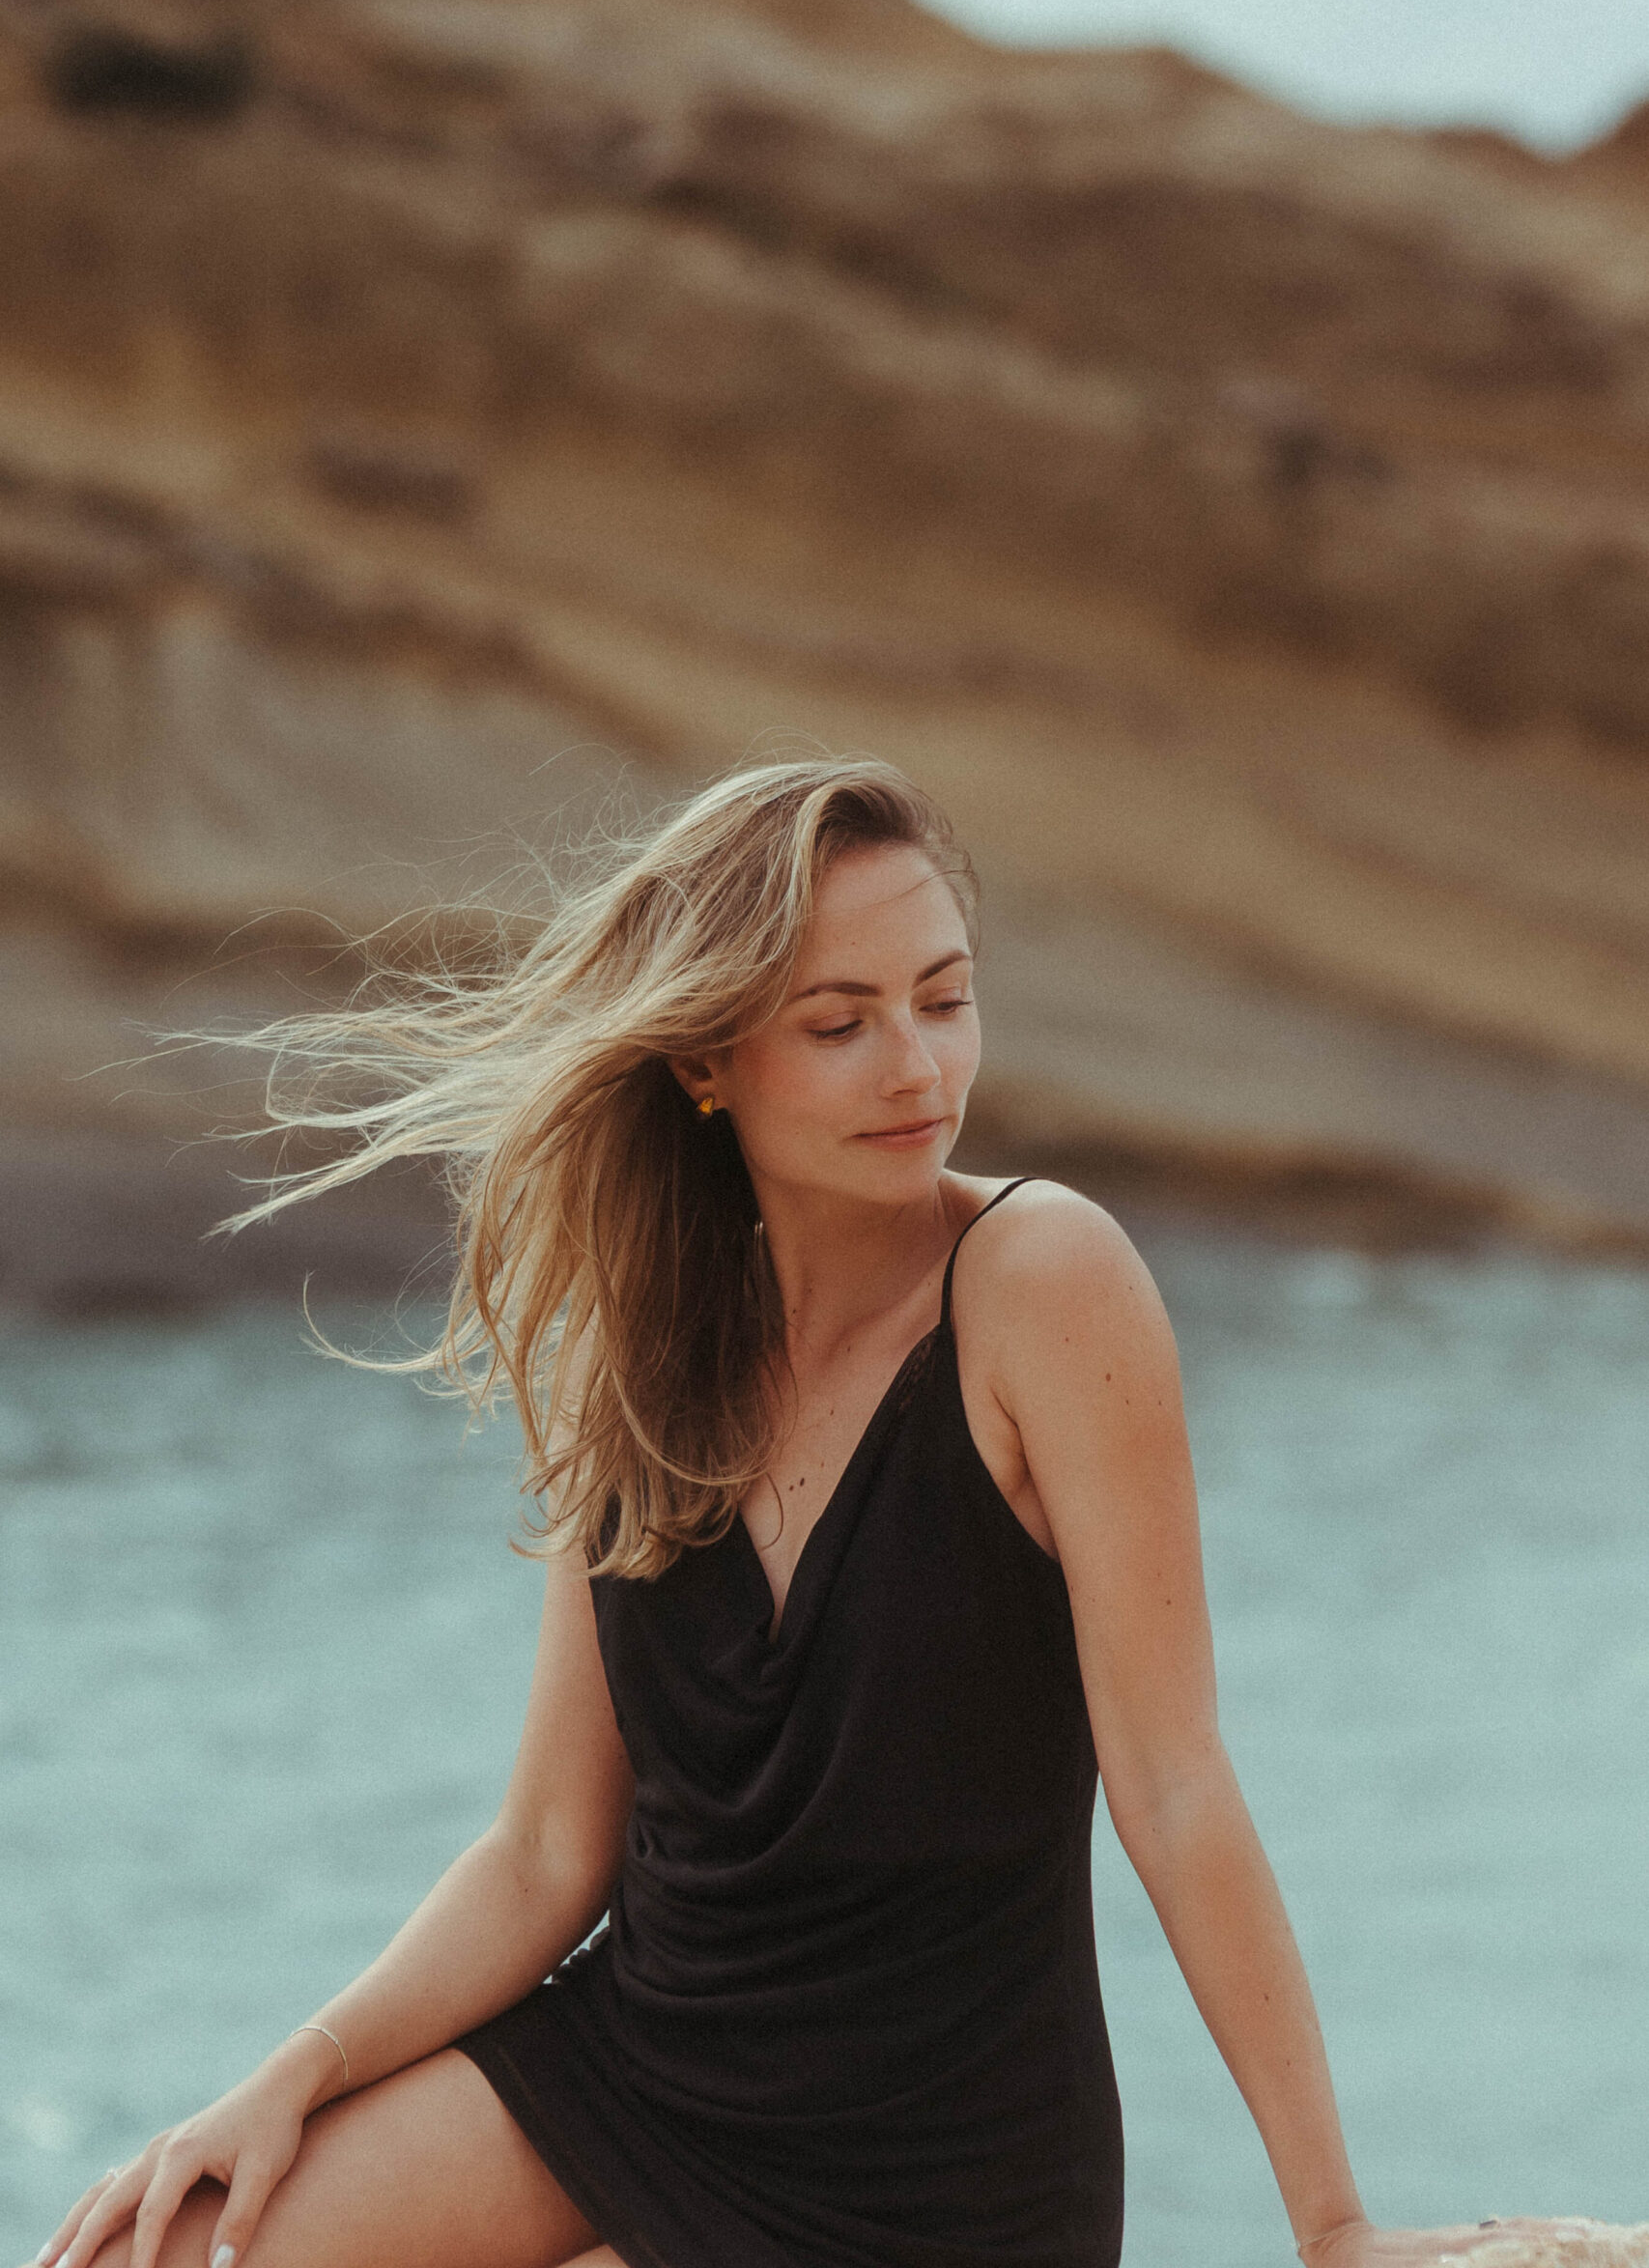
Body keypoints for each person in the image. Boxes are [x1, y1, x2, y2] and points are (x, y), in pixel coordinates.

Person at [34, 756, 1539, 2268]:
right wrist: (293, 2075)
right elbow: (551, 1847)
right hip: (636, 2071)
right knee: (141, 2255)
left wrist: (1332, 2223)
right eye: (842, 1022)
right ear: (707, 1060)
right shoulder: (638, 1346)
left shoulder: (1045, 1282)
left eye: (943, 1002)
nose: (918, 1070)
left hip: (928, 2166)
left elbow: (1176, 1784)